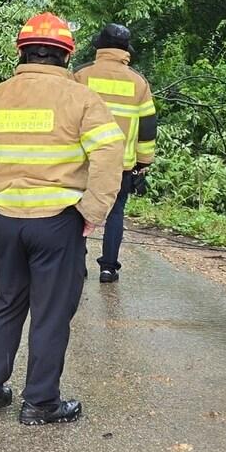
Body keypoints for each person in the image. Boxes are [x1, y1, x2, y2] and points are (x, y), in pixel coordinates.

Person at [0, 12, 126, 424]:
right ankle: (40, 402)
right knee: (51, 311)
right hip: (59, 221)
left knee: (7, 301)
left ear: (22, 52)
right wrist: (92, 211)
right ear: (66, 56)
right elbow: (109, 153)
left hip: (8, 219)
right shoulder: (82, 99)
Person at [72, 23, 156, 283]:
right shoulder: (138, 82)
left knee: (78, 210)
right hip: (121, 163)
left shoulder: (81, 75)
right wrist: (144, 162)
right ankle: (108, 268)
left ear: (100, 46)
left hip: (83, 160)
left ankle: (77, 265)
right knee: (116, 212)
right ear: (125, 51)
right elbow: (148, 125)